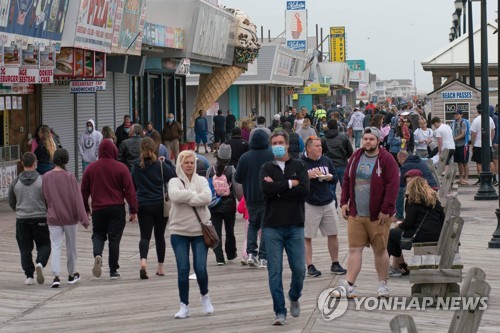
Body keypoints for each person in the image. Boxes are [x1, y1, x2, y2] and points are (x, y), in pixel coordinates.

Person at [334, 126, 399, 299]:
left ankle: (382, 285)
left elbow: (392, 186)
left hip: (378, 215)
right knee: (354, 249)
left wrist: (386, 210)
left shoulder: (386, 159)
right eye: (365, 138)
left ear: (378, 141)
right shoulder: (356, 156)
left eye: (371, 139)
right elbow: (347, 179)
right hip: (356, 213)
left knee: (380, 249)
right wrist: (343, 202)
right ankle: (349, 284)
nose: (367, 142)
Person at [260, 131, 309, 326]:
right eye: (274, 143)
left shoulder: (299, 165)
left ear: (288, 145)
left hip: (295, 224)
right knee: (274, 271)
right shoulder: (266, 167)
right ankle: (279, 311)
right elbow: (266, 190)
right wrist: (289, 184)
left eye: (281, 142)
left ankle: (294, 295)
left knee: (299, 269)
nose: (277, 145)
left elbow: (304, 191)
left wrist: (279, 190)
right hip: (273, 226)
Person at [81, 140, 138, 279]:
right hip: (116, 208)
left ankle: (98, 254)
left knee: (98, 235)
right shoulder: (121, 168)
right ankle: (113, 270)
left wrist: (85, 208)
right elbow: (129, 190)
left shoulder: (90, 168)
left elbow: (83, 190)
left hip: (98, 209)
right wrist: (133, 209)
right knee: (114, 239)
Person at [168, 150, 214, 319]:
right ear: (180, 164)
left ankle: (205, 296)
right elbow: (174, 195)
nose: (189, 165)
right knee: (183, 269)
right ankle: (184, 305)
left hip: (200, 232)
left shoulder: (201, 180)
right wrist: (194, 196)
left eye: (192, 162)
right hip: (178, 231)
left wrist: (186, 197)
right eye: (186, 162)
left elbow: (207, 197)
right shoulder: (174, 181)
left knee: (200, 268)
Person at [42, 149, 89, 288]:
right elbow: (78, 200)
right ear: (66, 160)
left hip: (53, 217)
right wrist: (84, 219)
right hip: (70, 218)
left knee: (55, 246)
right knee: (71, 246)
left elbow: (44, 197)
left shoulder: (46, 177)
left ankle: (56, 277)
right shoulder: (70, 177)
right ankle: (71, 274)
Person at [300, 137, 345, 277]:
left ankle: (335, 263)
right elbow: (296, 181)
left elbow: (335, 178)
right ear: (308, 148)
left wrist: (329, 177)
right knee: (307, 236)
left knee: (333, 234)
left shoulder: (326, 160)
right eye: (316, 146)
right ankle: (310, 265)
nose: (320, 148)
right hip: (310, 203)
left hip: (328, 201)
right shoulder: (301, 163)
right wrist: (307, 176)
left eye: (320, 146)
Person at [132, 138, 176, 279]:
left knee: (144, 236)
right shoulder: (160, 165)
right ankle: (160, 267)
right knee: (159, 236)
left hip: (143, 204)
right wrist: (167, 162)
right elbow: (174, 177)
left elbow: (133, 186)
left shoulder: (136, 166)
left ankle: (143, 263)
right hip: (159, 205)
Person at [387, 176, 444, 277]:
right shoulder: (434, 199)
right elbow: (442, 218)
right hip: (436, 234)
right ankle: (401, 267)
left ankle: (396, 266)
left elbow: (409, 223)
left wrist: (399, 225)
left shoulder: (413, 200)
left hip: (420, 235)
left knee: (391, 234)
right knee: (395, 235)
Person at [8, 152, 51, 285]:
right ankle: (40, 263)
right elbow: (48, 198)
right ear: (35, 164)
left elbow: (11, 201)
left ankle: (29, 276)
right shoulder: (42, 180)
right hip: (40, 218)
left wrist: (18, 208)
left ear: (22, 163)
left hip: (22, 219)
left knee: (25, 249)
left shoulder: (15, 182)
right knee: (44, 245)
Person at [235, 130, 274, 268]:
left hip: (250, 197)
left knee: (253, 225)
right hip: (268, 196)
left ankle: (251, 253)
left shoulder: (245, 157)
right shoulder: (271, 155)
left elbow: (237, 178)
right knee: (265, 227)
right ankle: (263, 257)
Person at [206, 144, 237, 265]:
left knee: (216, 232)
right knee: (230, 231)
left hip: (214, 206)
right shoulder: (231, 170)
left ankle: (219, 258)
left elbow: (206, 187)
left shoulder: (210, 170)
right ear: (229, 158)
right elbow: (237, 189)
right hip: (229, 207)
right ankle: (230, 253)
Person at [395, 150, 439, 220]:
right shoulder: (419, 160)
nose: (398, 162)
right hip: (433, 186)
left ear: (401, 158)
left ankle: (399, 215)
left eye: (398, 159)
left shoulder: (406, 165)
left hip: (426, 188)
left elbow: (401, 183)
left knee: (399, 190)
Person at [322, 119, 353, 186]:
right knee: (345, 186)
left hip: (329, 164)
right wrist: (345, 157)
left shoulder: (324, 138)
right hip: (342, 163)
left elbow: (321, 152)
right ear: (336, 126)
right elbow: (350, 151)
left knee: (331, 188)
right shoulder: (344, 137)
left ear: (328, 126)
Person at [470, 104, 496, 186]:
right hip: (488, 144)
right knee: (490, 161)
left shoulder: (476, 120)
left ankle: (481, 180)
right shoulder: (490, 119)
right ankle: (494, 179)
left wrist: (472, 144)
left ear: (477, 111)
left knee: (479, 163)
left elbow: (473, 134)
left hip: (478, 145)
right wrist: (490, 141)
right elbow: (493, 131)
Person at [451, 110, 471, 185]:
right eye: (454, 114)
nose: (455, 115)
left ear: (461, 115)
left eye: (457, 114)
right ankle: (460, 178)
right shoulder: (454, 123)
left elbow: (463, 134)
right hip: (456, 145)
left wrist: (454, 139)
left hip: (463, 145)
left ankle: (466, 179)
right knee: (459, 163)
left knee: (464, 162)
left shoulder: (464, 122)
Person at [237, 196, 250, 264]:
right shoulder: (262, 193)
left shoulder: (245, 196)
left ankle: (245, 256)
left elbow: (240, 209)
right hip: (261, 218)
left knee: (247, 238)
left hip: (248, 219)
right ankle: (264, 256)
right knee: (263, 238)